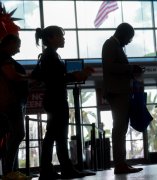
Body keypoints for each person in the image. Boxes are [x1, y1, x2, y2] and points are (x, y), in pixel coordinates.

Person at [34, 26, 94, 179]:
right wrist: (77, 75)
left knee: (57, 136)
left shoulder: (50, 55)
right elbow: (57, 79)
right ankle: (52, 170)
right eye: (60, 36)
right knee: (55, 136)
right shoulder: (50, 56)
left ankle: (58, 169)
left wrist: (76, 75)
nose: (63, 39)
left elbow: (52, 77)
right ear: (50, 38)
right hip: (56, 100)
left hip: (54, 99)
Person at [102, 22, 144, 174]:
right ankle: (119, 164)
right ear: (123, 33)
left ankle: (122, 162)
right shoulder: (110, 44)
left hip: (120, 91)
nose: (129, 41)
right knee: (119, 128)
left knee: (121, 128)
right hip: (117, 92)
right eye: (129, 38)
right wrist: (130, 68)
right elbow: (109, 66)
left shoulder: (116, 45)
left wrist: (132, 70)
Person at [0, 34, 30, 180]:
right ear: (10, 43)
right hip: (11, 103)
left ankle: (9, 171)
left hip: (13, 102)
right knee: (18, 134)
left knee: (13, 135)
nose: (18, 50)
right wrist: (28, 77)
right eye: (17, 46)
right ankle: (8, 172)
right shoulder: (2, 56)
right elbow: (11, 76)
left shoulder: (5, 57)